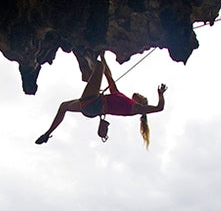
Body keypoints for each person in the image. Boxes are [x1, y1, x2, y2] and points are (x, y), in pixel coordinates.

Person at [35, 52, 166, 147]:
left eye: (143, 98)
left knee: (98, 66)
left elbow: (159, 108)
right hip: (91, 109)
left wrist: (160, 94)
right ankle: (47, 134)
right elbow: (109, 76)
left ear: (142, 103)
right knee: (64, 106)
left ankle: (84, 54)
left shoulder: (136, 108)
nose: (140, 95)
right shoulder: (121, 96)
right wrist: (103, 57)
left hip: (95, 104)